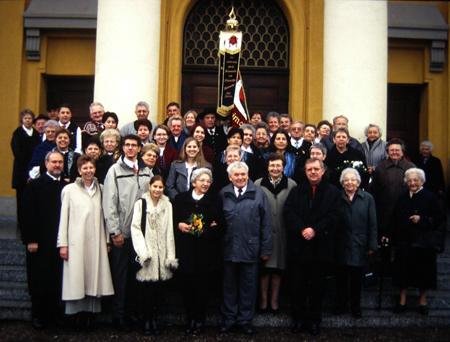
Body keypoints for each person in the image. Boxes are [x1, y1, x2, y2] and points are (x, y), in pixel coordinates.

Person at [102, 134, 153, 331]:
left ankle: (133, 314)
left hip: (141, 234)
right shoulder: (114, 170)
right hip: (123, 233)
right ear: (122, 148)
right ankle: (119, 315)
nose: (131, 148)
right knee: (120, 277)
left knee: (137, 277)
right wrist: (115, 231)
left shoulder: (147, 171)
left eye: (134, 145)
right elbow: (110, 203)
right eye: (127, 145)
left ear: (140, 149)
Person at [284, 158, 340, 336]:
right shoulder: (297, 190)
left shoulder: (333, 192)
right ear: (305, 172)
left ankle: (315, 321)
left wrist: (315, 230)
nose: (313, 172)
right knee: (297, 287)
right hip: (299, 247)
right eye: (310, 170)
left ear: (323, 171)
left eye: (316, 169)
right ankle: (298, 320)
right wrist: (302, 229)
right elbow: (288, 212)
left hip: (320, 247)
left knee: (317, 288)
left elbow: (334, 216)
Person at [57, 156, 114, 326]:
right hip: (76, 242)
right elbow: (63, 218)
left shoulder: (102, 189)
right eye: (85, 168)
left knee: (93, 277)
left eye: (91, 167)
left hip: (96, 241)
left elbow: (106, 217)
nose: (88, 171)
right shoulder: (69, 190)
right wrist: (63, 244)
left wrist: (107, 240)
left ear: (95, 169)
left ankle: (90, 314)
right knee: (76, 278)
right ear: (79, 170)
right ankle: (75, 315)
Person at [219, 161, 272, 335]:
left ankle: (245, 320)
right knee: (229, 287)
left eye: (243, 174)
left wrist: (265, 249)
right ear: (230, 177)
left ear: (248, 175)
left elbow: (266, 223)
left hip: (251, 249)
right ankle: (229, 319)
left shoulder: (258, 194)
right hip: (229, 249)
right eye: (236, 175)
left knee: (248, 287)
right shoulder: (224, 193)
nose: (240, 177)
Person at [173, 168, 223, 335]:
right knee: (187, 287)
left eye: (208, 181)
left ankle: (200, 320)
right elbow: (173, 220)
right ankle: (190, 319)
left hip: (206, 252)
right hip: (186, 250)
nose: (205, 183)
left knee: (202, 288)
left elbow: (220, 225)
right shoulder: (181, 199)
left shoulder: (215, 200)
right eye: (202, 180)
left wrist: (206, 230)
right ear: (194, 182)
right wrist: (179, 225)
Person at [22, 151, 68, 329]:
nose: (57, 165)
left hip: (57, 241)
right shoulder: (34, 185)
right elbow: (27, 214)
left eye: (60, 162)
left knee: (56, 280)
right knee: (39, 280)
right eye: (54, 162)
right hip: (39, 242)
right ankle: (38, 316)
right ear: (46, 163)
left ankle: (55, 316)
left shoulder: (66, 186)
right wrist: (31, 240)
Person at [391, 168, 445, 315]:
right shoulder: (402, 197)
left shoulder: (430, 197)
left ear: (421, 181)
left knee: (423, 272)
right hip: (405, 241)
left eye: (415, 180)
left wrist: (422, 220)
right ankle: (402, 301)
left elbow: (439, 219)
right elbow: (395, 218)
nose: (412, 183)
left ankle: (422, 301)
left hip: (423, 242)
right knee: (403, 272)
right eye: (409, 180)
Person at [130, 175, 178, 335]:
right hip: (147, 253)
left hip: (162, 252)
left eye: (160, 187)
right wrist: (143, 253)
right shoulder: (141, 204)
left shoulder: (168, 205)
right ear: (149, 187)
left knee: (158, 292)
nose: (157, 190)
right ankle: (146, 321)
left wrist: (170, 256)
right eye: (155, 186)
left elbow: (170, 230)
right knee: (145, 292)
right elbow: (135, 228)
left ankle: (155, 320)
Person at [255, 153, 296, 314]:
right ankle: (264, 301)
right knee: (265, 270)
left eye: (278, 165)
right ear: (267, 166)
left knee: (278, 268)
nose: (275, 168)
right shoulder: (258, 184)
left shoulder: (292, 185)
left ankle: (274, 301)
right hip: (263, 232)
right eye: (272, 165)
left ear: (283, 166)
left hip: (283, 232)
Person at [335, 168, 377, 318]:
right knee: (340, 279)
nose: (350, 182)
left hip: (359, 245)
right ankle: (340, 305)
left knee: (356, 280)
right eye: (346, 180)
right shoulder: (337, 198)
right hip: (341, 244)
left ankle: (355, 307)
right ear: (342, 183)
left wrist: (372, 245)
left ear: (358, 182)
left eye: (353, 180)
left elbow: (372, 224)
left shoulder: (368, 198)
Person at [371, 138, 415, 241]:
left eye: (397, 150)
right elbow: (374, 189)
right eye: (391, 150)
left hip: (405, 212)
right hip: (384, 213)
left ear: (402, 152)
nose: (394, 152)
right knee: (385, 244)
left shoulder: (411, 167)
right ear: (387, 152)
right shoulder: (380, 168)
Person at [11, 109, 41, 235]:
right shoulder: (18, 133)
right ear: (22, 120)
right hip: (21, 169)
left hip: (33, 170)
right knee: (21, 197)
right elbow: (16, 150)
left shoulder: (36, 134)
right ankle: (20, 222)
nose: (28, 120)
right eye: (25, 118)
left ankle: (30, 221)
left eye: (30, 118)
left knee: (31, 197)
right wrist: (25, 163)